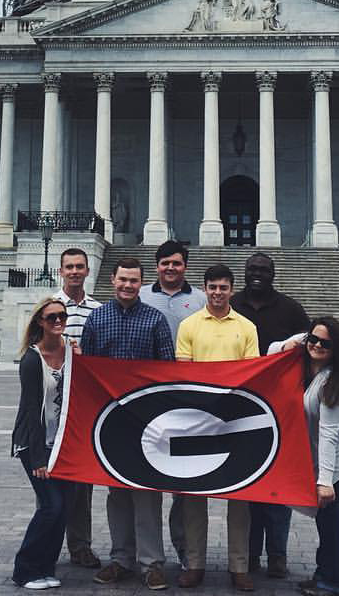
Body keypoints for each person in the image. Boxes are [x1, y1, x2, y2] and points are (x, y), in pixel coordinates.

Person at [82, 257, 176, 591]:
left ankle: (151, 563)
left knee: (147, 493)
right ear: (112, 279)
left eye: (134, 281)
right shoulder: (97, 318)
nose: (127, 285)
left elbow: (167, 372)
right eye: (123, 279)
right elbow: (88, 371)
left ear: (141, 283)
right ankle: (121, 558)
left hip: (146, 422)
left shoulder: (155, 320)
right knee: (117, 492)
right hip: (111, 422)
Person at [174, 264, 260, 593]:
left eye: (223, 287)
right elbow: (184, 373)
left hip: (235, 422)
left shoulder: (247, 327)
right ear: (204, 288)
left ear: (231, 289)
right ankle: (195, 563)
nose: (217, 292)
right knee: (194, 496)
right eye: (212, 287)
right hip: (197, 421)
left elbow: (252, 373)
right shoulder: (189, 325)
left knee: (239, 496)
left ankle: (239, 565)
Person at [229, 252, 310, 579]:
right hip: (241, 412)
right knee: (248, 488)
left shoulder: (291, 309)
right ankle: (248, 555)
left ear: (273, 274)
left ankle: (277, 553)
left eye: (263, 269)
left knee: (277, 489)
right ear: (244, 273)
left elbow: (309, 348)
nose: (257, 274)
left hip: (280, 411)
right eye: (252, 269)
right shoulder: (231, 305)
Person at [274, 318, 339, 596]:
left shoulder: (332, 384)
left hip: (338, 454)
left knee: (330, 519)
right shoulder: (308, 367)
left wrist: (325, 481)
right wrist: (298, 340)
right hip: (323, 449)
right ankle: (324, 573)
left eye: (325, 343)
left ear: (336, 348)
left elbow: (329, 435)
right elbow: (271, 352)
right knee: (325, 519)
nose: (316, 345)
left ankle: (334, 582)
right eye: (313, 339)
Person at [140, 240, 206, 570]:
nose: (170, 268)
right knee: (145, 479)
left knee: (185, 482)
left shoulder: (202, 300)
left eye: (176, 263)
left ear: (185, 266)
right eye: (165, 263)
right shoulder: (139, 295)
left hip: (188, 402)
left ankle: (185, 548)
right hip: (147, 400)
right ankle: (148, 556)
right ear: (156, 266)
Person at [10, 297, 72, 591]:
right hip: (35, 444)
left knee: (62, 510)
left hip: (62, 443)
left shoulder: (70, 350)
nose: (58, 321)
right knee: (50, 506)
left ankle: (45, 567)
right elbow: (31, 412)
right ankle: (24, 569)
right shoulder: (32, 359)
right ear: (39, 322)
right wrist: (38, 459)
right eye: (51, 317)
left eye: (62, 315)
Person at [53, 247, 103, 570]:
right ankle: (50, 541)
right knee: (52, 478)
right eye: (69, 267)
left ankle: (80, 544)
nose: (74, 271)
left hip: (84, 404)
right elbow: (31, 351)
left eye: (79, 267)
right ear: (61, 271)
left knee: (82, 480)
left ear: (87, 271)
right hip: (54, 405)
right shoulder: (48, 307)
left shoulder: (99, 310)